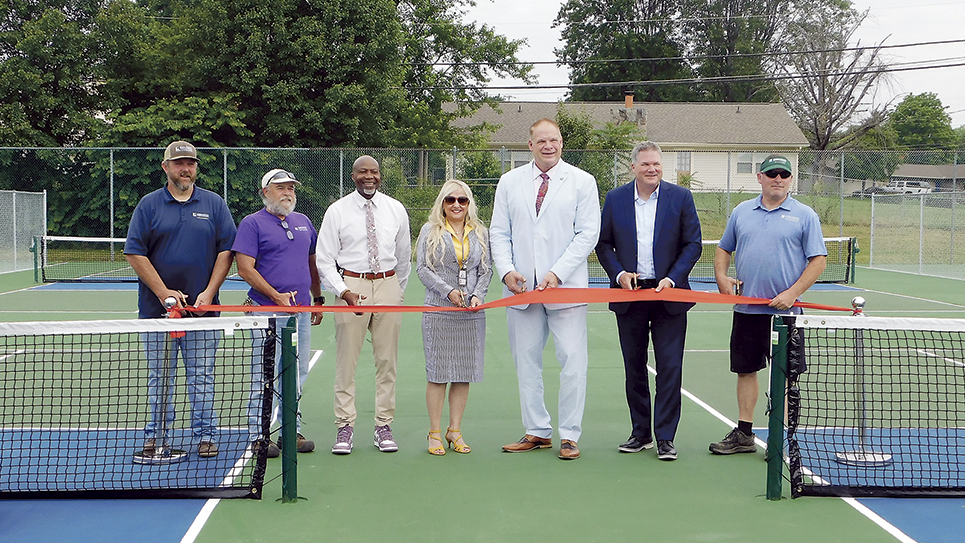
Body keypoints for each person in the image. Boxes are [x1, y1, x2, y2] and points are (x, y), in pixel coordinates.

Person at [490, 118, 600, 460]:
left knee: (572, 361)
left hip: (565, 290)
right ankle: (536, 430)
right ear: (530, 145)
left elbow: (587, 234)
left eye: (553, 140)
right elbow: (498, 232)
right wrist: (507, 271)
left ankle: (569, 435)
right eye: (541, 141)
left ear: (562, 143)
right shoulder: (509, 182)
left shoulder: (583, 181)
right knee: (526, 362)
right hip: (521, 292)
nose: (548, 145)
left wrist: (557, 272)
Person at [124, 140, 237, 459]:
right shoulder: (148, 205)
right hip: (155, 313)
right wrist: (164, 294)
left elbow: (226, 251)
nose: (185, 169)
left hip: (203, 314)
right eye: (179, 163)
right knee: (160, 378)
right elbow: (135, 252)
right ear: (166, 167)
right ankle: (156, 437)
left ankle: (206, 436)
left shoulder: (214, 204)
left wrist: (209, 293)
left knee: (201, 377)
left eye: (191, 163)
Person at [709, 155, 827, 455]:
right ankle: (745, 435)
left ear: (791, 180)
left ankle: (783, 440)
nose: (778, 179)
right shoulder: (742, 211)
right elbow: (724, 248)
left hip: (787, 316)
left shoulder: (805, 216)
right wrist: (721, 276)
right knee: (746, 371)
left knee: (786, 376)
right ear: (760, 177)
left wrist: (792, 293)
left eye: (784, 175)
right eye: (772, 173)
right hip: (747, 311)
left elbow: (818, 260)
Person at [595, 141, 702, 461]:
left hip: (669, 296)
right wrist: (619, 275)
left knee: (670, 367)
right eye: (645, 164)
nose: (651, 169)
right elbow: (603, 245)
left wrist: (673, 277)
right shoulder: (615, 200)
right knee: (634, 367)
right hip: (631, 297)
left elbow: (693, 244)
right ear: (634, 168)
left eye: (656, 164)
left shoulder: (680, 197)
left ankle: (665, 437)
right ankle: (640, 433)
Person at [315, 155, 411, 455]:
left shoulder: (395, 209)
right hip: (351, 287)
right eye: (363, 172)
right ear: (353, 176)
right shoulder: (337, 211)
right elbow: (324, 259)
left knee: (387, 362)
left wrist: (395, 289)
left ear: (380, 176)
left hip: (388, 285)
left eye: (374, 172)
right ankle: (345, 426)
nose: (369, 177)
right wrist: (344, 291)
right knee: (347, 363)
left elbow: (404, 255)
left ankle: (384, 426)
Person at [232, 168, 325, 458]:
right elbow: (244, 268)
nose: (288, 193)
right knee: (264, 374)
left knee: (297, 373)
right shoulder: (252, 224)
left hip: (299, 313)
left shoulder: (303, 222)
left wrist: (317, 298)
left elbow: (312, 264)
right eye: (281, 188)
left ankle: (290, 431)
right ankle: (258, 435)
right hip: (265, 312)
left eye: (291, 188)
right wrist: (275, 296)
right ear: (265, 193)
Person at [416, 180, 492, 456]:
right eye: (450, 200)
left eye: (462, 200)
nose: (456, 205)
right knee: (438, 373)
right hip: (439, 309)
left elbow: (486, 269)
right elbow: (423, 269)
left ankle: (455, 430)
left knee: (463, 373)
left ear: (469, 203)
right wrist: (448, 292)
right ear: (442, 203)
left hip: (471, 312)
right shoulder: (430, 230)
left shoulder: (480, 232)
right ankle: (434, 432)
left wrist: (478, 294)